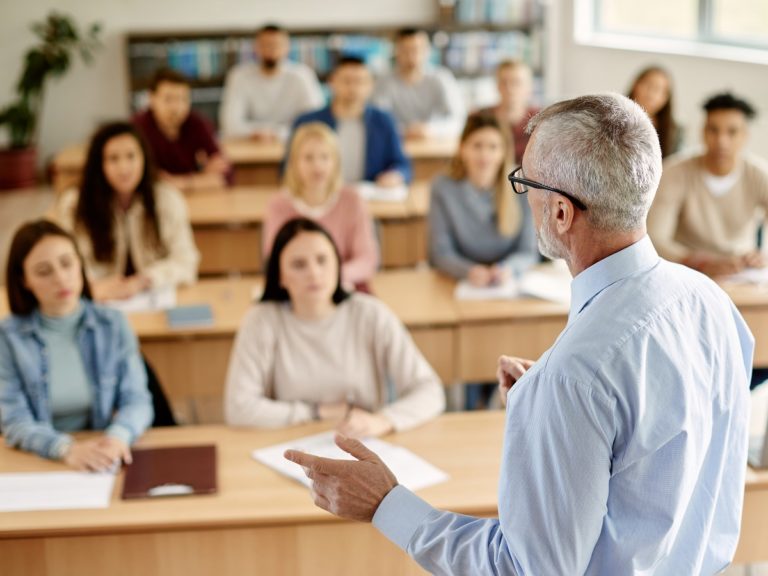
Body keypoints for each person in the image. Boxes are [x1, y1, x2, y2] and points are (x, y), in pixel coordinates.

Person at [285, 94, 753, 574]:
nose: (522, 195)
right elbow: (662, 438)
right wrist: (563, 408)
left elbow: (525, 569)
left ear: (561, 214)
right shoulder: (710, 300)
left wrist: (386, 504)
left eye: (525, 183)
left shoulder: (577, 375)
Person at [225, 218, 445, 437]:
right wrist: (317, 412)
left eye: (322, 260)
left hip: (363, 443)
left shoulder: (370, 314)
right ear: (280, 276)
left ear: (338, 264)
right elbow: (239, 408)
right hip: (291, 443)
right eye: (299, 265)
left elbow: (430, 391)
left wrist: (382, 421)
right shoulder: (261, 320)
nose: (314, 273)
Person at [0, 220, 153, 469]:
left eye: (66, 263)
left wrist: (118, 436)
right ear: (24, 280)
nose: (61, 278)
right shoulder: (8, 337)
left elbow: (137, 400)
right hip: (41, 456)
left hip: (102, 452)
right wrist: (64, 449)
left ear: (80, 264)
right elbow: (15, 421)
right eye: (43, 271)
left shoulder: (112, 324)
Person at [50, 122, 200, 302]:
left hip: (151, 297)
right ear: (99, 164)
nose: (124, 168)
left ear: (144, 158)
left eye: (131, 156)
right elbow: (64, 262)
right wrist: (95, 286)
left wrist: (145, 280)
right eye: (113, 159)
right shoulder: (74, 205)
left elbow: (186, 261)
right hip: (96, 299)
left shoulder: (167, 199)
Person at [647, 92, 768, 277]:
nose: (721, 141)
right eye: (713, 130)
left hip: (742, 274)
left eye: (732, 132)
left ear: (745, 136)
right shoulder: (674, 172)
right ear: (703, 131)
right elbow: (655, 237)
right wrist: (698, 262)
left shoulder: (759, 175)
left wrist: (763, 256)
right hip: (686, 271)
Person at [263, 122, 378, 289]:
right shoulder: (278, 205)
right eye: (308, 158)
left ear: (335, 162)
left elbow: (367, 260)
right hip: (297, 291)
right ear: (294, 163)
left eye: (325, 157)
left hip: (345, 286)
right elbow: (274, 261)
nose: (317, 166)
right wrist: (309, 280)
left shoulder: (353, 201)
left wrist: (328, 278)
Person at [429, 112, 538, 286]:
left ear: (504, 152)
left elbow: (528, 251)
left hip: (508, 281)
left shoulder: (522, 184)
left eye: (493, 147)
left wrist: (509, 269)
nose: (484, 155)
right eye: (477, 146)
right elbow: (441, 253)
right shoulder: (442, 187)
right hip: (459, 281)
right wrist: (468, 271)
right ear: (462, 148)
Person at [288, 55, 411, 187]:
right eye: (346, 81)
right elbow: (288, 168)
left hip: (369, 196)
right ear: (331, 82)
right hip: (320, 196)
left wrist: (396, 175)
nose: (353, 88)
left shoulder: (384, 121)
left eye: (360, 81)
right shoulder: (307, 122)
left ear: (370, 85)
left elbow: (402, 165)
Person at [132, 67, 232, 192]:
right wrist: (201, 178)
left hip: (197, 201)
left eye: (182, 99)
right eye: (168, 99)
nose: (176, 108)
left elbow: (226, 175)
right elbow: (144, 180)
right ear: (151, 98)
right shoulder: (137, 128)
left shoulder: (196, 124)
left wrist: (180, 183)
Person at [219, 23, 324, 141]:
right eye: (265, 45)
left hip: (294, 144)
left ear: (287, 47)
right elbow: (230, 124)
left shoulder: (302, 75)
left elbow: (314, 122)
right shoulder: (239, 76)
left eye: (276, 45)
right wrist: (258, 133)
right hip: (249, 145)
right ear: (255, 47)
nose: (270, 50)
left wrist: (276, 134)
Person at [373, 28, 465, 139]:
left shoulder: (442, 78)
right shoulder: (384, 82)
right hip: (396, 143)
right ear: (396, 52)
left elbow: (458, 119)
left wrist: (431, 130)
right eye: (405, 50)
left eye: (416, 49)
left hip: (435, 143)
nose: (411, 56)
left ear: (427, 51)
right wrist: (404, 131)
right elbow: (377, 119)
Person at [477, 59, 540, 164]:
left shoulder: (540, 121)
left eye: (516, 82)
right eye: (504, 82)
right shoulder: (481, 119)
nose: (509, 88)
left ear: (529, 87)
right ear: (497, 86)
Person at [627, 66, 681, 158]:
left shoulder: (675, 131)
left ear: (666, 98)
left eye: (658, 89)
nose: (651, 93)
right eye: (648, 85)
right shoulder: (611, 117)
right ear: (635, 85)